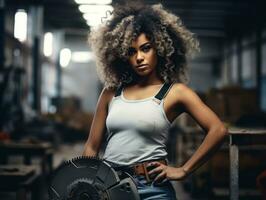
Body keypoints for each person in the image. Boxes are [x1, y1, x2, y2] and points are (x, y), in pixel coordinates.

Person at [83, 2, 228, 199]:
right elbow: (92, 146)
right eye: (132, 52)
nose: (139, 58)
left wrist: (183, 170)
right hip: (110, 185)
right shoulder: (111, 93)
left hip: (152, 187)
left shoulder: (176, 93)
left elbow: (218, 131)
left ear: (159, 48)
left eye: (146, 48)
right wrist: (86, 183)